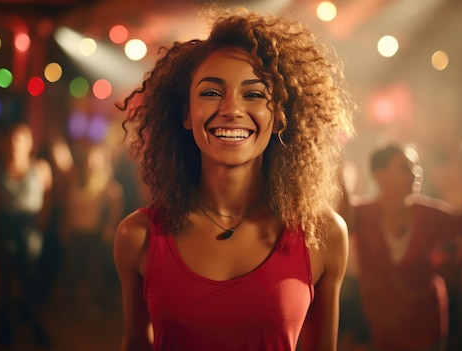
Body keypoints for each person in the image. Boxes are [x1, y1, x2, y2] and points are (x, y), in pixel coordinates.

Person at [113, 8, 354, 351]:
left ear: (279, 114)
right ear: (185, 113)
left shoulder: (322, 235)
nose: (232, 109)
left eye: (254, 94)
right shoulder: (137, 236)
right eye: (212, 93)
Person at [343, 144, 462, 351]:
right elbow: (341, 218)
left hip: (426, 323)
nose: (415, 173)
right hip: (383, 325)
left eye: (416, 167)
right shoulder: (363, 213)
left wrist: (452, 267)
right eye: (405, 168)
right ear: (380, 175)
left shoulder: (429, 214)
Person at [0, 122, 53, 347]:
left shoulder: (41, 167)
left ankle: (33, 323)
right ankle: (5, 327)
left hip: (30, 226)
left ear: (29, 143)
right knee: (5, 280)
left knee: (30, 278)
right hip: (6, 225)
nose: (15, 144)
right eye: (12, 139)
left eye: (20, 139)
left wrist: (41, 224)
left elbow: (47, 199)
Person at [61, 141, 123, 318]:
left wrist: (110, 227)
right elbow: (67, 206)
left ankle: (93, 306)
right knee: (72, 270)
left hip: (94, 235)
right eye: (88, 158)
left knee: (93, 272)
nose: (90, 162)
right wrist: (65, 226)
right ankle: (71, 305)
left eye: (95, 159)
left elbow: (116, 204)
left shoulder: (106, 184)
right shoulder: (74, 180)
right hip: (75, 233)